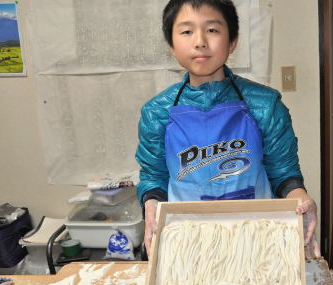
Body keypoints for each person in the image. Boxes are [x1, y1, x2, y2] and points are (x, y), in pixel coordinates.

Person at [135, 0, 320, 258]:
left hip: (257, 240)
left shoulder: (264, 104)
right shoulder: (157, 112)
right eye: (186, 31)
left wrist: (301, 197)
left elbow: (284, 173)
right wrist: (151, 205)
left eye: (212, 30)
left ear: (232, 42)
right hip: (188, 243)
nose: (199, 41)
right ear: (171, 46)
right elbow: (154, 178)